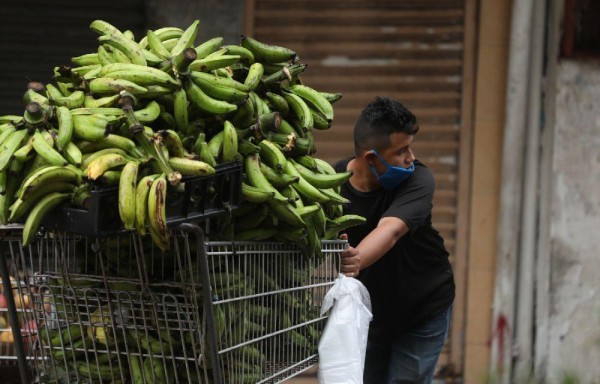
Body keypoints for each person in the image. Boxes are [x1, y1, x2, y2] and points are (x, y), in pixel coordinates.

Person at [335, 96, 455, 384]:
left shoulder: (419, 179)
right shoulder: (331, 185)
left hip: (421, 309)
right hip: (369, 317)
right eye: (402, 151)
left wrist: (356, 260)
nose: (411, 158)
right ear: (372, 158)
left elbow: (391, 229)